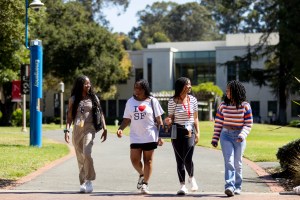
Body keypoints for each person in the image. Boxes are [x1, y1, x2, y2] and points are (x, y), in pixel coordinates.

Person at [116, 79, 164, 194]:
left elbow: (159, 120)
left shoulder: (153, 101)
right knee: (134, 160)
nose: (136, 90)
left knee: (148, 161)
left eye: (139, 88)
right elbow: (127, 119)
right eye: (135, 87)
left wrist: (160, 136)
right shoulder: (130, 102)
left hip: (150, 135)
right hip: (135, 136)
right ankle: (142, 174)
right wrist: (120, 129)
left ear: (145, 89)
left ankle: (145, 184)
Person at [64, 75, 107, 193]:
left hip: (90, 128)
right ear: (80, 85)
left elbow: (101, 113)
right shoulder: (73, 99)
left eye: (89, 83)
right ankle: (82, 182)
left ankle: (89, 180)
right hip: (77, 130)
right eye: (85, 84)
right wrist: (67, 131)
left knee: (87, 153)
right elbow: (69, 118)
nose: (88, 85)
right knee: (80, 157)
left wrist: (105, 128)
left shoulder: (94, 98)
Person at [211, 80, 253, 197]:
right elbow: (218, 123)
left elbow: (248, 123)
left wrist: (242, 135)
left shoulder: (245, 106)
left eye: (229, 90)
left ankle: (238, 186)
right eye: (226, 91)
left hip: (239, 135)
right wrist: (215, 139)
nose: (227, 92)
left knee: (238, 163)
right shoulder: (223, 106)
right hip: (226, 135)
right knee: (229, 161)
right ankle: (229, 186)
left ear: (235, 91)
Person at [164, 77, 200, 195]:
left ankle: (191, 177)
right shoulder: (172, 101)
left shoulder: (193, 100)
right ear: (181, 86)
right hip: (176, 131)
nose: (189, 86)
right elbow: (171, 117)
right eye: (187, 85)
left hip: (189, 131)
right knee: (179, 159)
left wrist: (198, 132)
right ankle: (182, 186)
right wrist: (168, 120)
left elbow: (195, 118)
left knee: (188, 158)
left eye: (190, 84)